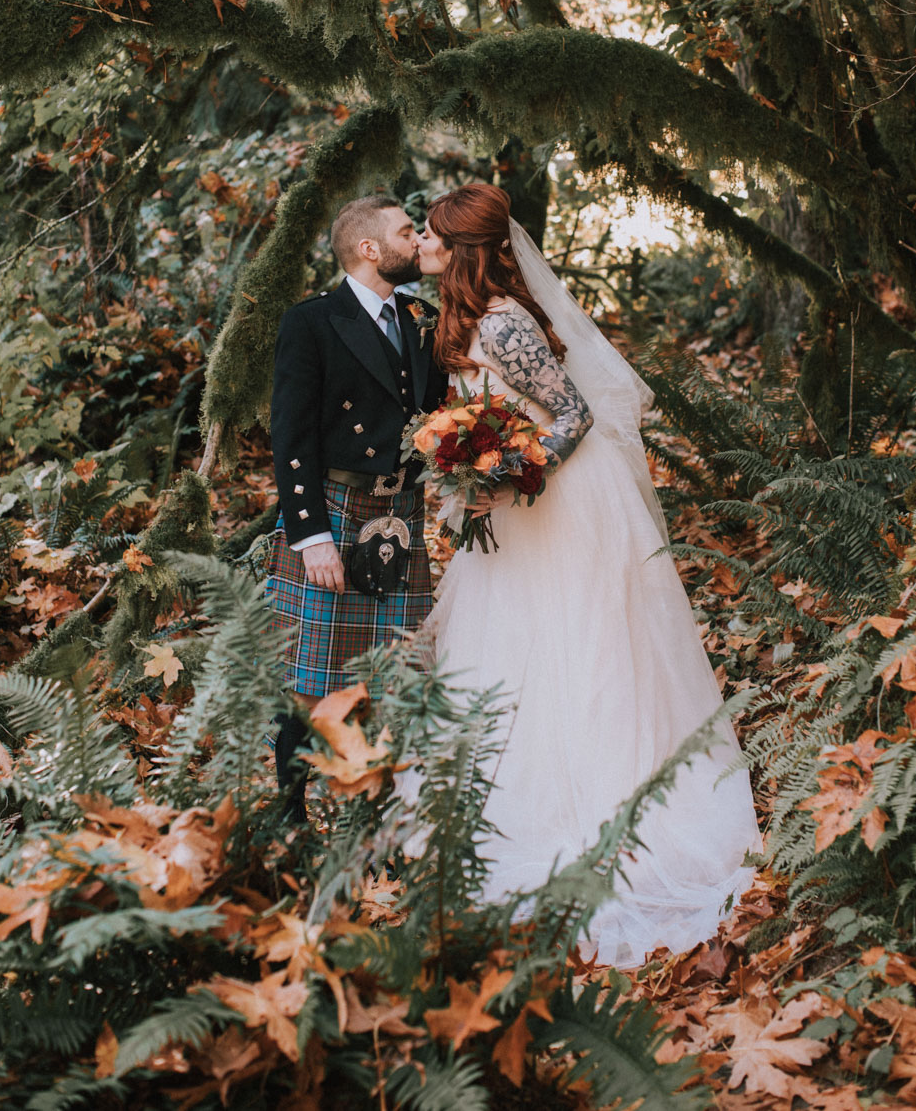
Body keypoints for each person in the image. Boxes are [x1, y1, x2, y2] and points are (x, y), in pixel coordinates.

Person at [414, 183, 760, 967]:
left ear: (460, 249)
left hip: (561, 505)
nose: (422, 245)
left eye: (432, 235)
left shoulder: (503, 323)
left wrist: (515, 471)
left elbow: (572, 412)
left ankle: (616, 817)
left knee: (580, 649)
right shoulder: (463, 319)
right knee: (511, 651)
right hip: (512, 510)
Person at [266, 194, 447, 822]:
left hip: (404, 512)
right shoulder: (311, 322)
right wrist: (309, 533)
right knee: (312, 671)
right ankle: (288, 811)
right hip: (337, 508)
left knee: (393, 668)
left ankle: (376, 808)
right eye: (406, 232)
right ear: (370, 249)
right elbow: (290, 436)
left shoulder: (423, 318)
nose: (417, 241)